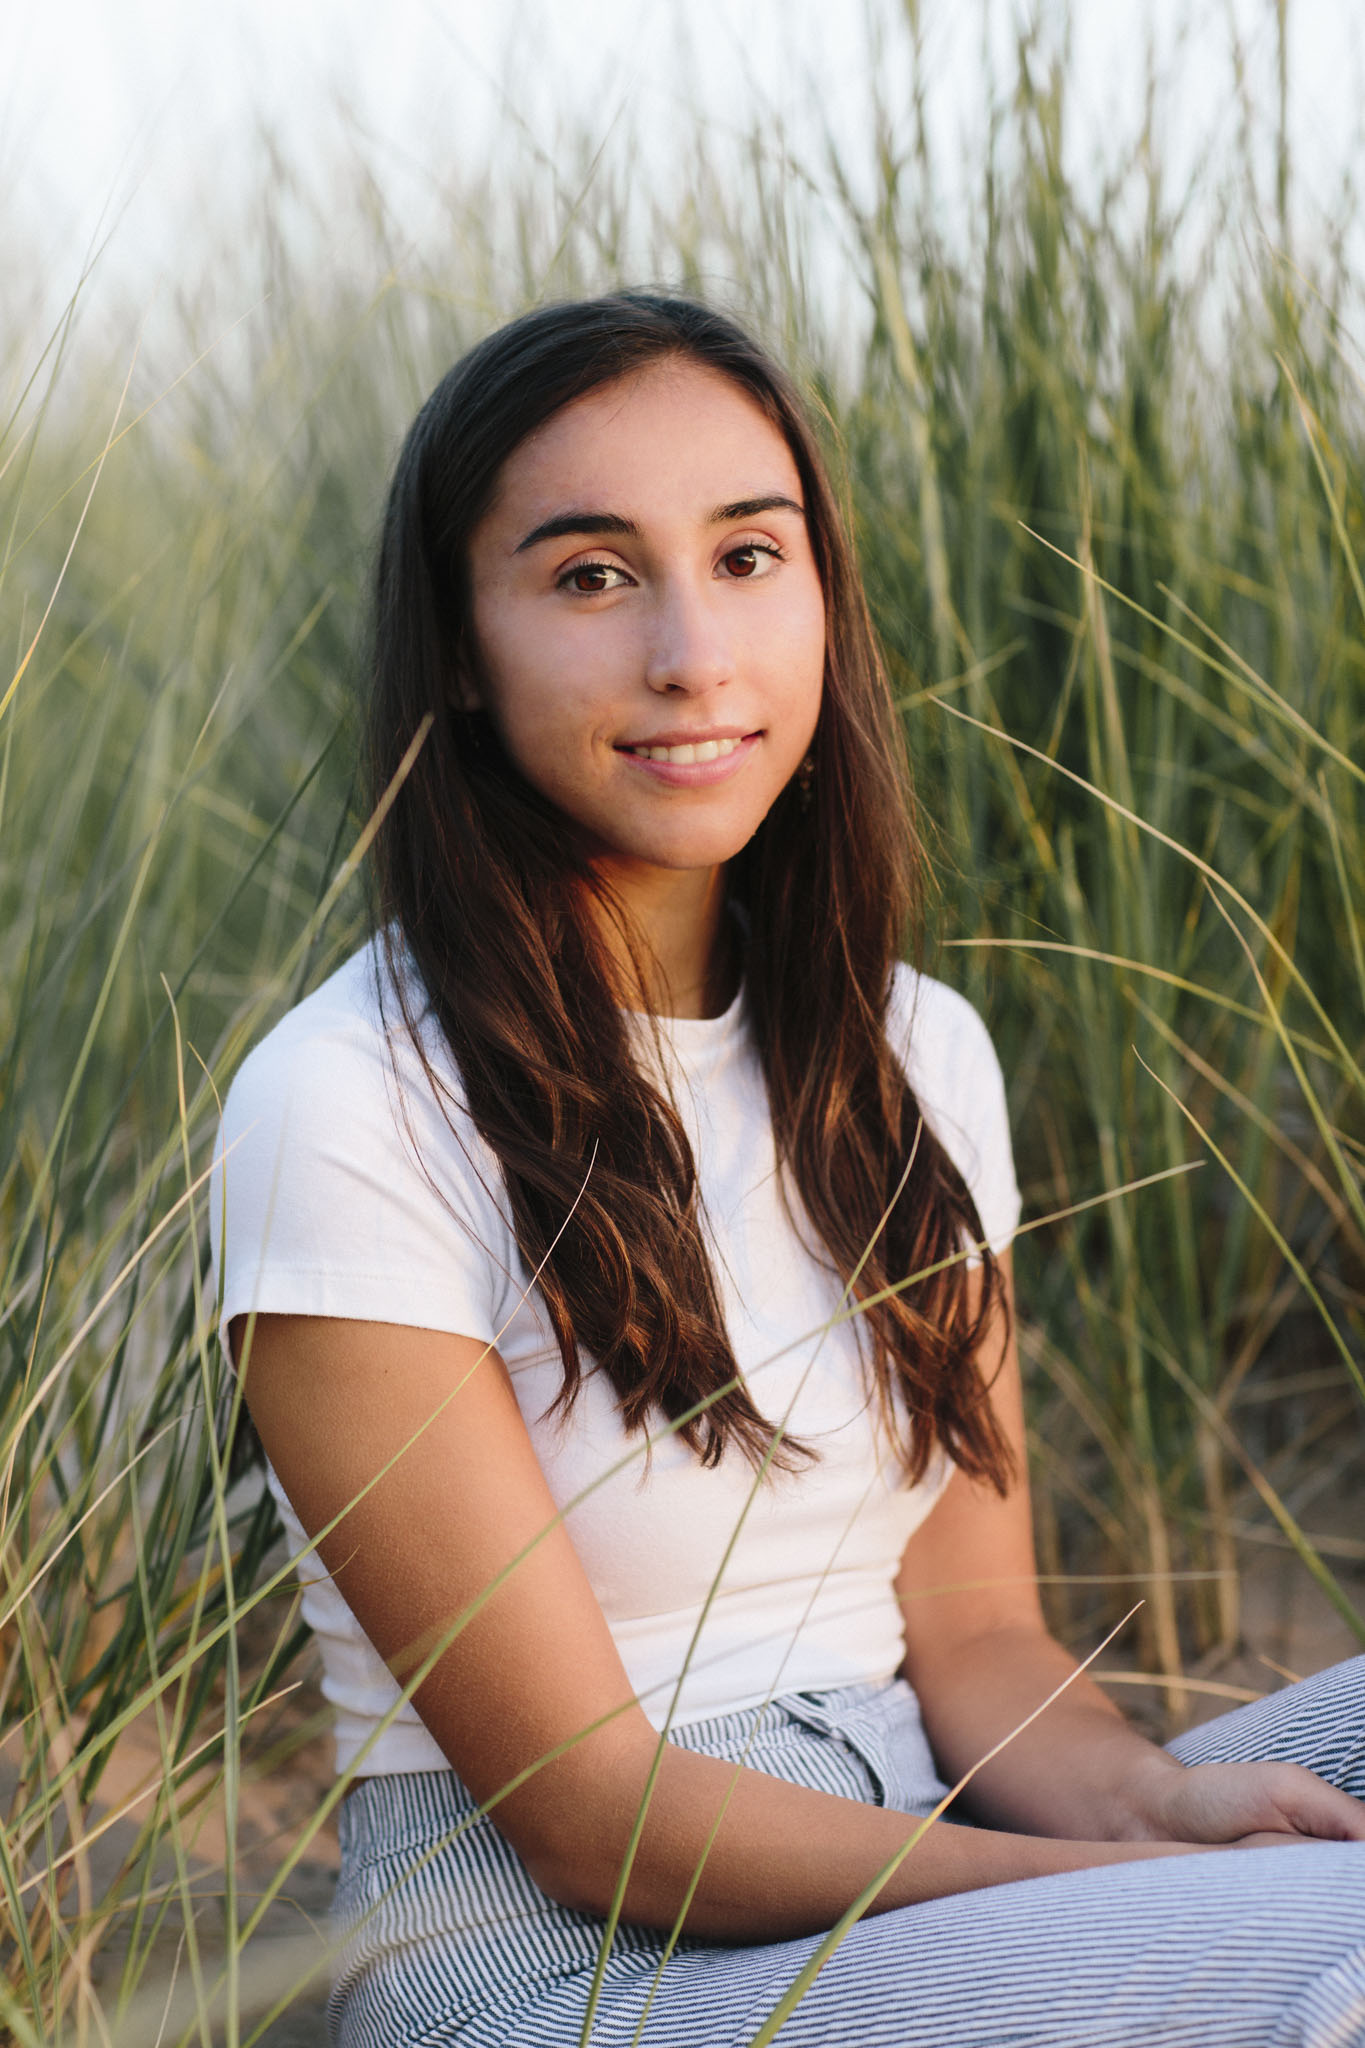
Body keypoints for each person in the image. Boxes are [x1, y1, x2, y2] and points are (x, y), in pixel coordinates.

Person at [211, 292, 1365, 2048]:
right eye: (590, 576)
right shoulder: (352, 1101)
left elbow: (976, 1641)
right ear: (459, 641)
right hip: (560, 1952)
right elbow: (588, 1811)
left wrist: (1154, 1811)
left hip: (918, 1837)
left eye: (748, 556)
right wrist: (1131, 1897)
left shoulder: (914, 1054)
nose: (693, 652)